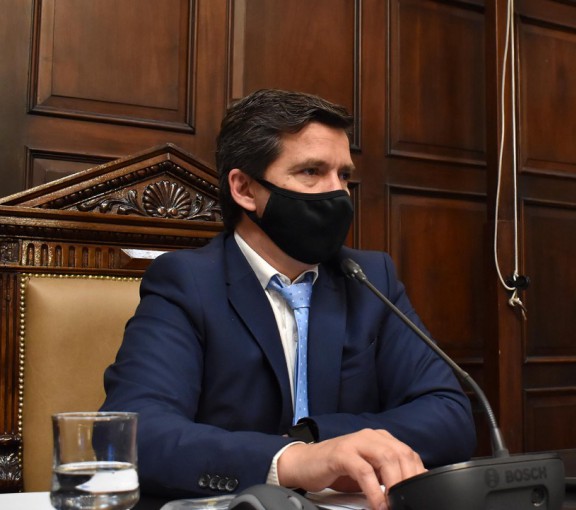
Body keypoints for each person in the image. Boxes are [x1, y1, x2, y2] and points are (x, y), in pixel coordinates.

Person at [100, 89, 476, 510]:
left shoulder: (369, 278)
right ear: (245, 188)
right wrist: (291, 461)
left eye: (344, 175)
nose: (338, 194)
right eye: (312, 171)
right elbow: (136, 433)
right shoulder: (187, 283)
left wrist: (317, 440)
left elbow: (450, 416)